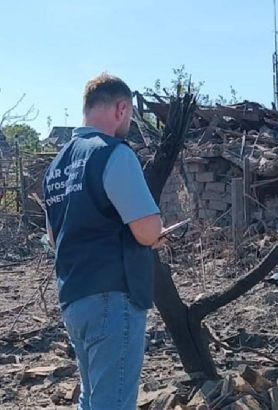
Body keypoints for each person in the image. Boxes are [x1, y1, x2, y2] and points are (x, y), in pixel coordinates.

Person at [43, 73, 163, 409]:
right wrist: (156, 233)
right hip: (113, 298)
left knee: (92, 399)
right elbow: (147, 230)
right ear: (121, 108)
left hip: (74, 298)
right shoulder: (113, 154)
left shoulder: (56, 167)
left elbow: (56, 238)